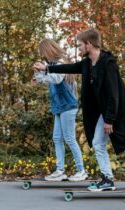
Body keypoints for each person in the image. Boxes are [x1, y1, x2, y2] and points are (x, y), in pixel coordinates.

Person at [33, 29, 125, 203]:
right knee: (97, 142)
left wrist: (110, 120)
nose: (78, 48)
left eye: (80, 45)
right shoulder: (88, 63)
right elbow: (69, 67)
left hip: (119, 111)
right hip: (106, 112)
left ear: (89, 44)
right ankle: (107, 179)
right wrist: (47, 68)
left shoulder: (107, 63)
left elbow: (113, 94)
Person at [33, 39, 88, 181]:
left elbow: (56, 79)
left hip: (68, 106)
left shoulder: (60, 64)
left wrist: (44, 71)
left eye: (43, 52)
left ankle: (81, 170)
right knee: (57, 138)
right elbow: (42, 80)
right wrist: (38, 72)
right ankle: (60, 170)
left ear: (48, 50)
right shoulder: (50, 65)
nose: (42, 55)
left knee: (69, 138)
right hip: (58, 106)